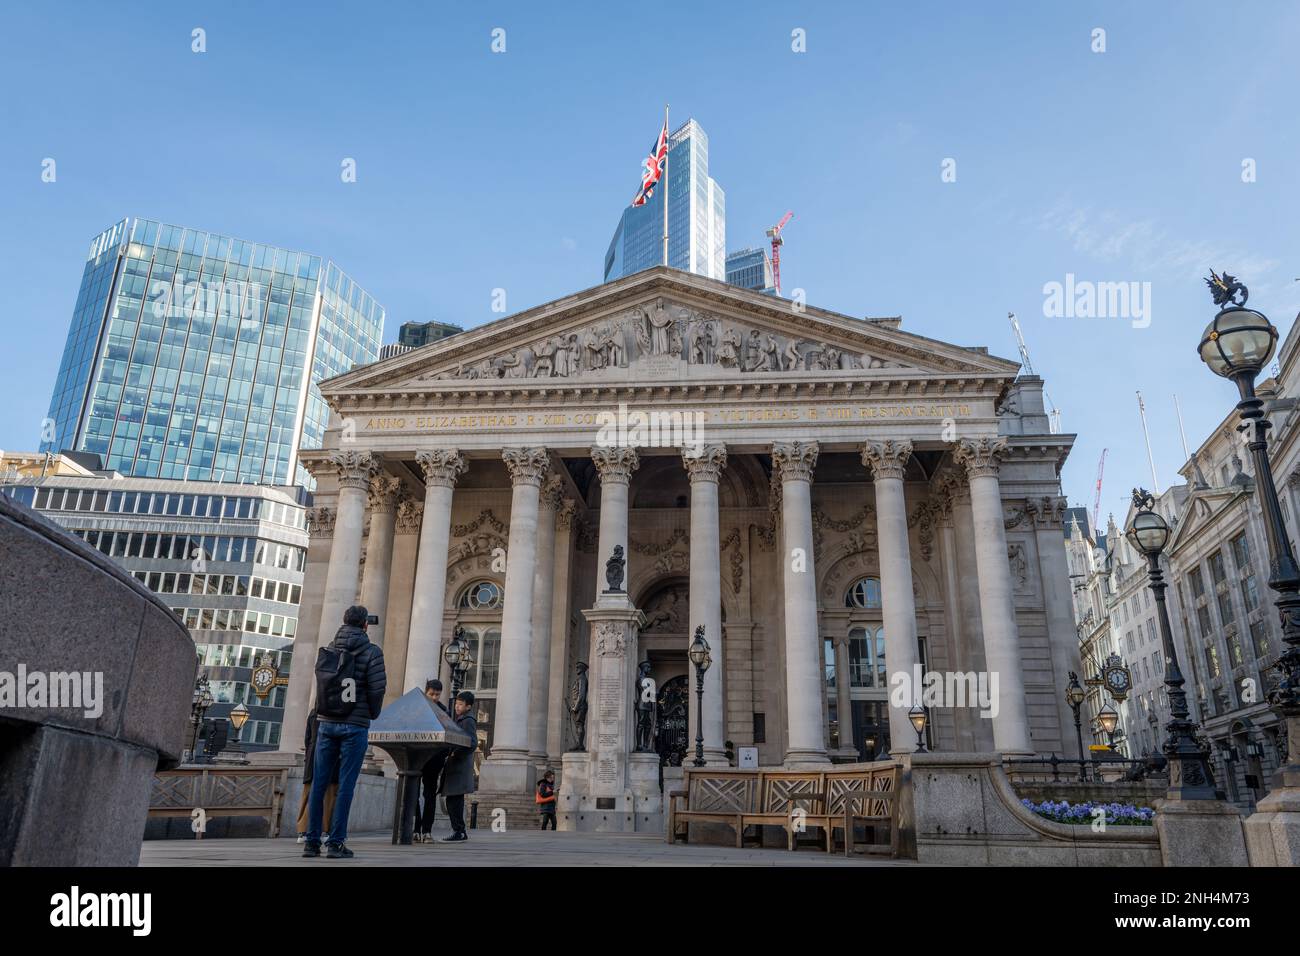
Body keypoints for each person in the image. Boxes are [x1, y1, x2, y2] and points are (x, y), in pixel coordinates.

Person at [303, 605, 387, 860]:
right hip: (355, 725)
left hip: (326, 722)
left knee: (319, 783)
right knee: (346, 785)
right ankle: (336, 843)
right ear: (365, 625)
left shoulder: (329, 648)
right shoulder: (372, 651)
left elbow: (321, 686)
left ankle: (311, 841)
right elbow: (377, 689)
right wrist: (371, 714)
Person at [440, 690, 478, 842]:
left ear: (468, 706)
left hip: (459, 766)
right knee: (452, 800)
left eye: (460, 704)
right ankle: (459, 830)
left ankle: (459, 831)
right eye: (456, 703)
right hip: (455, 766)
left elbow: (472, 743)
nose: (457, 706)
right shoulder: (460, 719)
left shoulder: (468, 720)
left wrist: (456, 753)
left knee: (454, 801)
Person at [295, 706, 338, 842]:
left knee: (308, 794)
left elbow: (307, 738)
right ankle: (325, 831)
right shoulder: (338, 709)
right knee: (329, 796)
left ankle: (302, 831)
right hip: (331, 754)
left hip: (313, 755)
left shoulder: (314, 711)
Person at [415, 678, 450, 842]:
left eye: (437, 694)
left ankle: (427, 830)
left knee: (429, 795)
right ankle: (416, 829)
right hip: (416, 758)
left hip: (434, 759)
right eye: (431, 694)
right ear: (426, 692)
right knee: (413, 793)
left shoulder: (443, 711)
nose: (435, 697)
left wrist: (442, 756)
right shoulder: (416, 709)